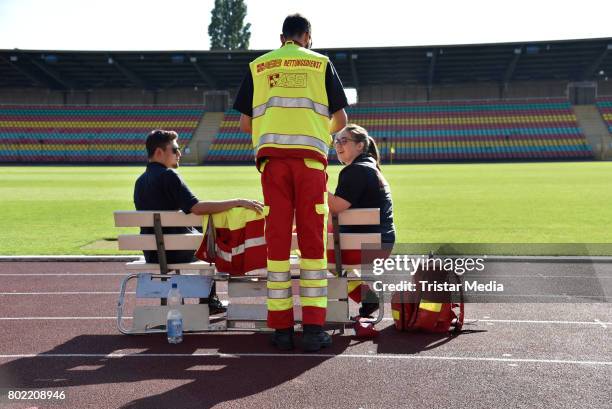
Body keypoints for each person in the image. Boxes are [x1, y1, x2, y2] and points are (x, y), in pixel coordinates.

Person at [233, 14, 348, 351]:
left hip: (272, 165)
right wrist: (313, 129)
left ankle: (281, 330)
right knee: (312, 242)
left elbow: (244, 124)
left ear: (281, 36)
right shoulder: (320, 63)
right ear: (308, 36)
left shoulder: (259, 66)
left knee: (278, 241)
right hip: (310, 162)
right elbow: (341, 119)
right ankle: (313, 329)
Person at [134, 129, 263, 312]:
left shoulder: (140, 182)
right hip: (176, 251)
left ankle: (208, 299)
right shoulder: (169, 176)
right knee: (211, 243)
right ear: (159, 152)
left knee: (200, 235)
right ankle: (209, 301)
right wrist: (238, 201)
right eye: (175, 149)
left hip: (154, 252)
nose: (179, 153)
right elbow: (196, 207)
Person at [328, 124, 396, 329]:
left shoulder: (355, 171)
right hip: (380, 241)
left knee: (315, 253)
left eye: (344, 141)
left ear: (360, 146)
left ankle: (364, 298)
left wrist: (314, 186)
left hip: (364, 245)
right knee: (331, 249)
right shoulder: (370, 168)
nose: (338, 145)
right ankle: (367, 298)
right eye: (336, 141)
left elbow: (337, 206)